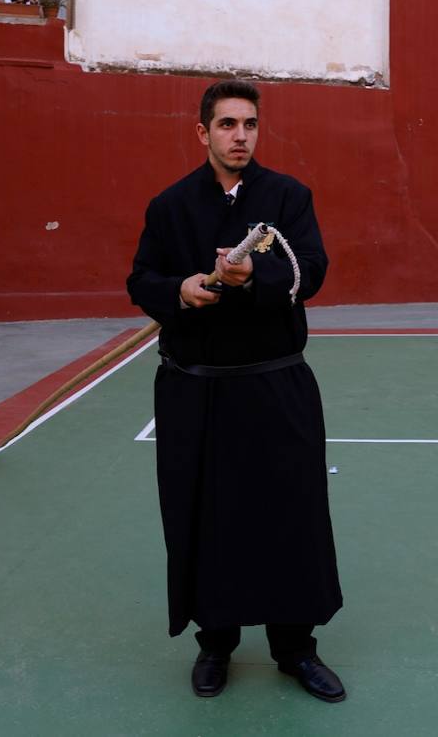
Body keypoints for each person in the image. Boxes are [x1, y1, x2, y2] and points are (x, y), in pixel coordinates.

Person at [126, 79, 345, 704]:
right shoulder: (169, 207)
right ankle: (215, 643)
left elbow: (313, 271)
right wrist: (180, 292)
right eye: (226, 125)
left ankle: (295, 649)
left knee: (289, 514)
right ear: (203, 132)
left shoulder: (287, 198)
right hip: (195, 393)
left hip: (275, 385)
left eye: (249, 124)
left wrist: (255, 276)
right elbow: (141, 276)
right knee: (203, 515)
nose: (239, 136)